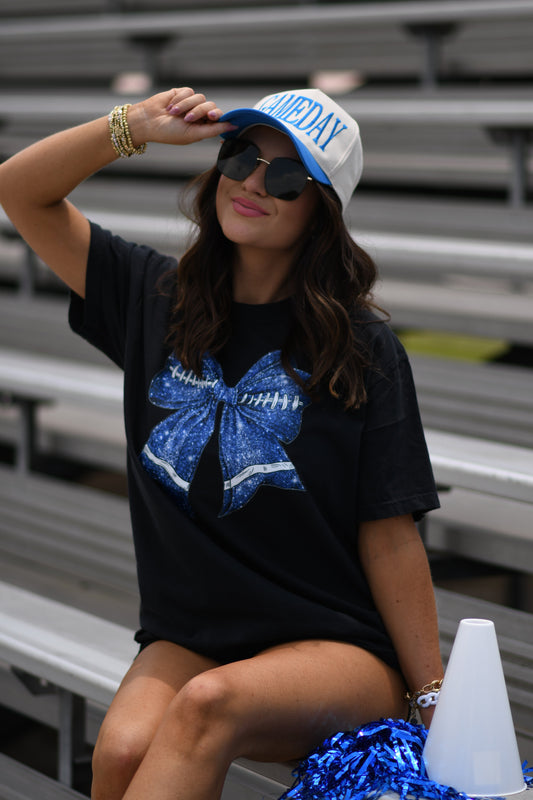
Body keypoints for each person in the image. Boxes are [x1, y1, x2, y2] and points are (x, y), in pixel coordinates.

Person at [0, 86, 443, 800]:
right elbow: (18, 190)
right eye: (241, 156)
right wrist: (134, 126)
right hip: (195, 636)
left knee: (205, 708)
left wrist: (432, 698)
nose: (253, 184)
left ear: (320, 212)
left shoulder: (362, 348)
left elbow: (389, 534)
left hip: (335, 648)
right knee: (120, 752)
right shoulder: (157, 300)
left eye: (287, 176)